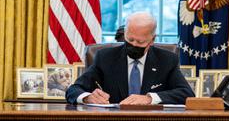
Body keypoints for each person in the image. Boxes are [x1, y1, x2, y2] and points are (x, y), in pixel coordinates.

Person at [66, 12, 194, 105]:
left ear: (152, 40)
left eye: (140, 42)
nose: (134, 45)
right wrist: (88, 97)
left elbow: (186, 94)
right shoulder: (105, 57)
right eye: (130, 39)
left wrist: (150, 98)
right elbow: (73, 90)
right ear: (125, 34)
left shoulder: (167, 60)